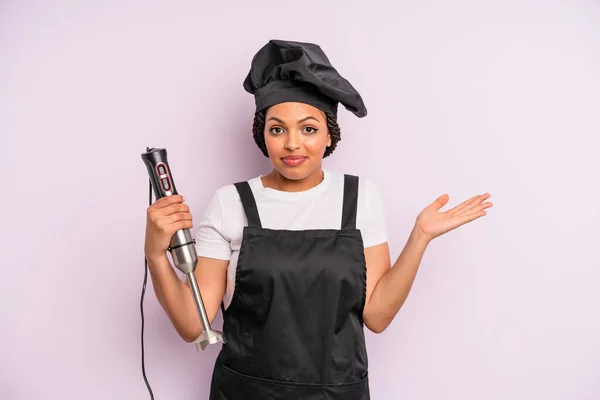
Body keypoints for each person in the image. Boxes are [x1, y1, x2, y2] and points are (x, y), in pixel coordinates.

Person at [144, 39, 493, 400]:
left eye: (308, 129)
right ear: (262, 135)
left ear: (329, 135)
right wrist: (156, 254)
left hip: (337, 394)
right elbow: (192, 324)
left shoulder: (359, 199)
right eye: (277, 129)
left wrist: (419, 237)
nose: (293, 144)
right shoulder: (230, 202)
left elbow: (377, 316)